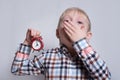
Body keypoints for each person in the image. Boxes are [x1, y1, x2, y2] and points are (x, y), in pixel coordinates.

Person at [11, 7, 111, 80]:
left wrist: (80, 42)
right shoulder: (47, 57)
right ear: (57, 33)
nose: (72, 26)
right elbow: (17, 69)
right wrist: (27, 42)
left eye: (79, 22)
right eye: (67, 21)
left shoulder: (92, 59)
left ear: (88, 36)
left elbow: (105, 77)